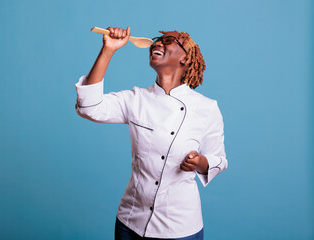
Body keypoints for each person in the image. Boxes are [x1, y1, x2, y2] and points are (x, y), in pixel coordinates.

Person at [75, 26, 228, 240]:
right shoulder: (136, 99)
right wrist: (108, 50)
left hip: (178, 228)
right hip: (129, 222)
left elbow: (219, 160)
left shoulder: (207, 108)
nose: (157, 43)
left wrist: (200, 162)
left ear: (185, 58)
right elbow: (88, 107)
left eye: (168, 41)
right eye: (157, 40)